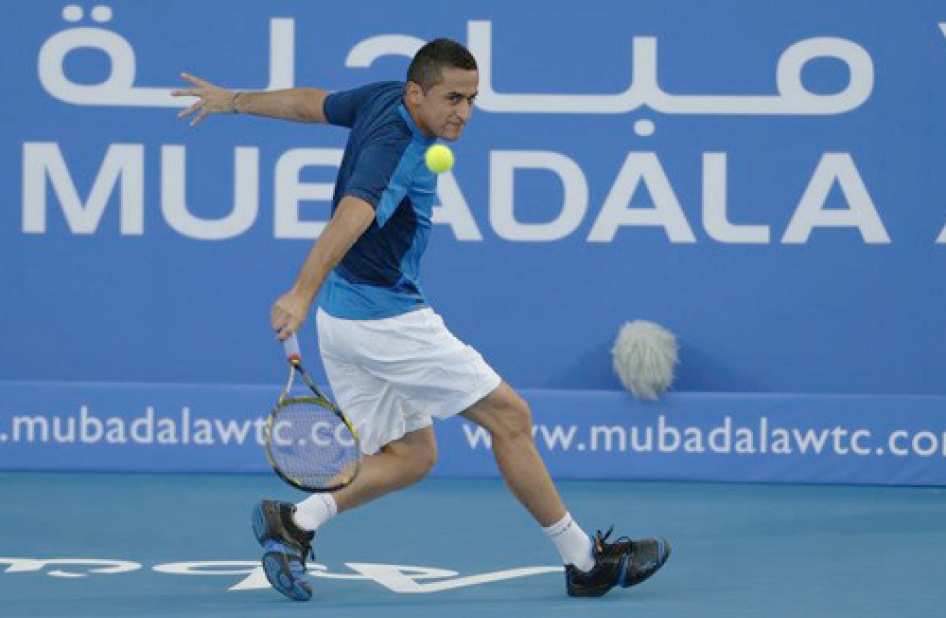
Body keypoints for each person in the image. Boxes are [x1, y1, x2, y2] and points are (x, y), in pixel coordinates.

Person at [173, 38, 670, 601]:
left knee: (412, 457)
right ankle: (586, 562)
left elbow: (311, 102)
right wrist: (300, 291)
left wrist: (233, 100)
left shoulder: (384, 97)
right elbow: (352, 215)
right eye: (452, 98)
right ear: (418, 93)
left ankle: (295, 523)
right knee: (510, 417)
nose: (463, 111)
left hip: (344, 319)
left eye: (472, 98)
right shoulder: (398, 149)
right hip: (386, 322)